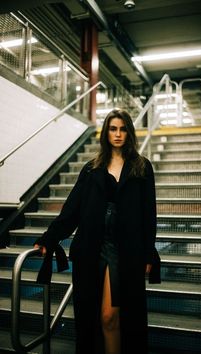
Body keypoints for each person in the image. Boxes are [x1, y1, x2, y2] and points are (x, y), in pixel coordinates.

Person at [34, 108, 160, 354]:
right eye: (113, 128)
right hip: (91, 247)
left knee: (110, 316)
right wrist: (50, 237)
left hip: (125, 249)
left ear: (130, 133)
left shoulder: (141, 167)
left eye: (123, 129)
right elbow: (73, 209)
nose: (118, 134)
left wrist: (148, 253)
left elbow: (148, 215)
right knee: (94, 316)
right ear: (105, 132)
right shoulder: (92, 168)